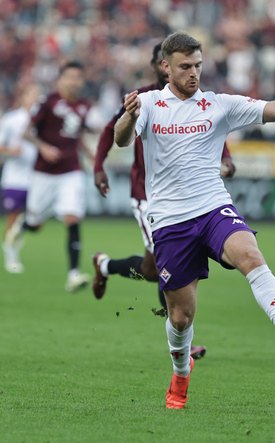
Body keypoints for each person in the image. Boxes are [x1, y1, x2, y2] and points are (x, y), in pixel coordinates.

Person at [114, 31, 275, 409]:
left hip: (212, 207)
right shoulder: (147, 104)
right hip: (170, 222)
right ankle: (180, 373)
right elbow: (122, 140)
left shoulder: (218, 104)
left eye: (198, 66)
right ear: (166, 68)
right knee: (180, 318)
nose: (194, 73)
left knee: (250, 254)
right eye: (185, 67)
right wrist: (128, 118)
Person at [92, 43, 236, 361]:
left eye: (190, 65)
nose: (184, 70)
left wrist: (224, 157)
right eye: (173, 64)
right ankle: (180, 336)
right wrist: (99, 165)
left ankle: (104, 264)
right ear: (160, 65)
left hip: (183, 199)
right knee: (162, 263)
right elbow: (111, 130)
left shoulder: (197, 99)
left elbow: (212, 129)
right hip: (147, 195)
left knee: (150, 269)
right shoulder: (142, 98)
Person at [6, 61, 95, 291]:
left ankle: (73, 274)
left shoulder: (84, 105)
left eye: (78, 77)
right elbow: (27, 133)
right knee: (36, 224)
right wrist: (44, 147)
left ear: (82, 81)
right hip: (44, 173)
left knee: (72, 217)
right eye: (70, 77)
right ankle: (23, 225)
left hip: (71, 171)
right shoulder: (48, 102)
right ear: (61, 80)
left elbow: (78, 135)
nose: (74, 81)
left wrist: (90, 154)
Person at [0, 84, 41, 273]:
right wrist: (10, 151)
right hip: (14, 178)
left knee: (35, 220)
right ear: (22, 97)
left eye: (36, 94)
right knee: (12, 218)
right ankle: (11, 256)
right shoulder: (11, 119)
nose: (35, 98)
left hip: (36, 177)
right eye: (31, 93)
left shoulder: (42, 119)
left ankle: (13, 247)